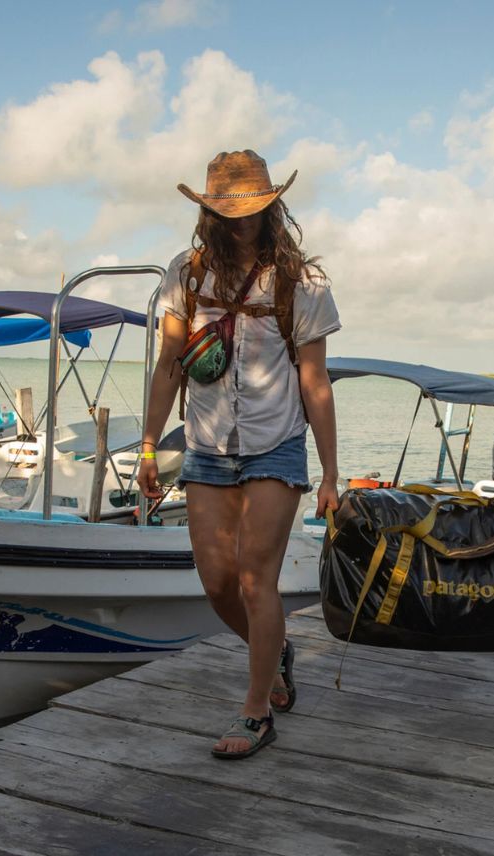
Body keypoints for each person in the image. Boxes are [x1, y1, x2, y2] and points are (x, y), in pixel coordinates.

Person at [137, 149, 341, 759]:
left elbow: (316, 381)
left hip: (275, 445)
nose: (241, 220)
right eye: (228, 210)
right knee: (218, 582)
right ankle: (273, 651)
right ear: (209, 213)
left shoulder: (302, 282)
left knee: (257, 580)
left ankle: (256, 712)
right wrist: (149, 445)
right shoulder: (186, 274)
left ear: (272, 207)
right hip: (205, 446)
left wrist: (331, 471)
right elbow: (169, 364)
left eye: (252, 208)